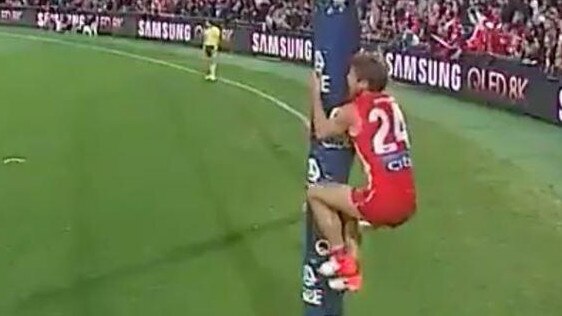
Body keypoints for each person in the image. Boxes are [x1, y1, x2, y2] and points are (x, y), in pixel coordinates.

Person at [307, 52, 417, 292]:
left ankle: (339, 257)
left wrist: (315, 94)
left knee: (315, 194)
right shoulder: (391, 104)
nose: (346, 79)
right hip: (408, 200)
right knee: (349, 210)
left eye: (351, 75)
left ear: (363, 83)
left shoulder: (352, 111)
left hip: (382, 201)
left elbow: (323, 130)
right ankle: (352, 276)